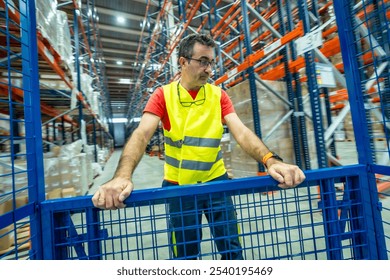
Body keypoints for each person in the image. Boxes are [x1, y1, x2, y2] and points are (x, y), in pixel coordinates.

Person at [92, 33, 306, 260]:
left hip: (216, 182)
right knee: (186, 254)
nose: (209, 69)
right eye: (203, 61)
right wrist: (122, 176)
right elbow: (142, 135)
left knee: (232, 249)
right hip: (178, 187)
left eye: (211, 62)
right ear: (183, 62)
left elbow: (241, 132)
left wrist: (270, 160)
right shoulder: (163, 96)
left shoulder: (218, 95)